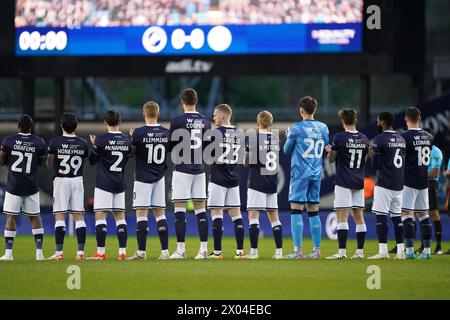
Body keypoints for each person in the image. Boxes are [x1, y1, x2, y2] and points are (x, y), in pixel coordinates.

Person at [283, 96, 329, 259]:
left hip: (300, 173)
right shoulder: (323, 127)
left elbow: (287, 150)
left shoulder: (296, 128)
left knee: (296, 210)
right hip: (316, 173)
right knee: (313, 212)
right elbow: (326, 147)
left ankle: (298, 251)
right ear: (314, 110)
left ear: (301, 110)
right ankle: (317, 251)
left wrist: (289, 136)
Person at [169, 88, 211, 259]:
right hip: (199, 170)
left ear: (182, 102)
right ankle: (203, 249)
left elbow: (171, 146)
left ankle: (181, 250)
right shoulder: (206, 121)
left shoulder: (177, 121)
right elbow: (208, 148)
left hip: (182, 169)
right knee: (201, 210)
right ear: (196, 101)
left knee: (179, 208)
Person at [127, 101, 171, 260]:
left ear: (144, 113)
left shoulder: (138, 133)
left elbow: (131, 154)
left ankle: (141, 252)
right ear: (158, 113)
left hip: (142, 178)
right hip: (159, 177)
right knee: (160, 215)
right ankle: (165, 252)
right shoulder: (166, 133)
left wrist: (132, 138)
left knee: (141, 214)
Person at [0, 115, 47, 261]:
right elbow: (41, 162)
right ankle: (39, 253)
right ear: (31, 127)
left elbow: (1, 161)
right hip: (31, 186)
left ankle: (8, 254)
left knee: (11, 217)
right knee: (35, 217)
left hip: (14, 185)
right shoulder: (39, 142)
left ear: (18, 126)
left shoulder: (8, 141)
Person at [325, 109, 369, 259]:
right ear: (355, 120)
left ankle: (342, 252)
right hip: (358, 181)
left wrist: (330, 150)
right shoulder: (364, 138)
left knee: (342, 216)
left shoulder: (339, 137)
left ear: (343, 122)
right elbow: (365, 159)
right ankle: (360, 252)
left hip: (343, 181)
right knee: (359, 217)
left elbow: (331, 160)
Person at [88, 110, 132, 260]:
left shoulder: (101, 140)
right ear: (119, 122)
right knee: (120, 218)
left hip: (103, 184)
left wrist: (95, 146)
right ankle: (122, 252)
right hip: (119, 183)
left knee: (101, 217)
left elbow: (92, 161)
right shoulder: (126, 140)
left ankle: (100, 252)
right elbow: (126, 159)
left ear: (106, 123)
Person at [46, 112, 89, 260]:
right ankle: (80, 253)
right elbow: (84, 160)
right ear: (76, 125)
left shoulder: (55, 142)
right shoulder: (83, 143)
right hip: (77, 179)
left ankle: (59, 253)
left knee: (60, 216)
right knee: (79, 216)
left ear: (61, 125)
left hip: (61, 180)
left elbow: (49, 163)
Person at [207, 104, 246, 260]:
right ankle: (240, 252)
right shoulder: (240, 132)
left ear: (222, 116)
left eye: (215, 115)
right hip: (233, 179)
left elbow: (208, 156)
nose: (214, 117)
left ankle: (217, 253)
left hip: (217, 179)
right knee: (236, 216)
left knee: (216, 214)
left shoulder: (215, 133)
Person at [244, 111, 283, 260]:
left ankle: (253, 252)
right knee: (275, 218)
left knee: (254, 217)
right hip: (271, 183)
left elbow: (246, 162)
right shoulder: (276, 140)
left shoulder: (253, 139)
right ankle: (279, 252)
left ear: (257, 122)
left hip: (256, 182)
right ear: (271, 123)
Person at [368, 112, 406, 260]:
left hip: (384, 183)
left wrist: (373, 154)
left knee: (381, 216)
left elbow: (376, 165)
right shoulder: (401, 139)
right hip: (399, 184)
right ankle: (401, 251)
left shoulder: (379, 139)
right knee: (397, 217)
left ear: (382, 122)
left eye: (378, 121)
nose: (377, 123)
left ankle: (383, 251)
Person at [398, 107, 434, 259]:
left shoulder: (404, 137)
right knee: (424, 215)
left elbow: (400, 160)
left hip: (409, 180)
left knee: (406, 214)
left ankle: (410, 251)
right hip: (423, 181)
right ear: (419, 118)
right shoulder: (429, 136)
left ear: (406, 118)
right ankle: (427, 251)